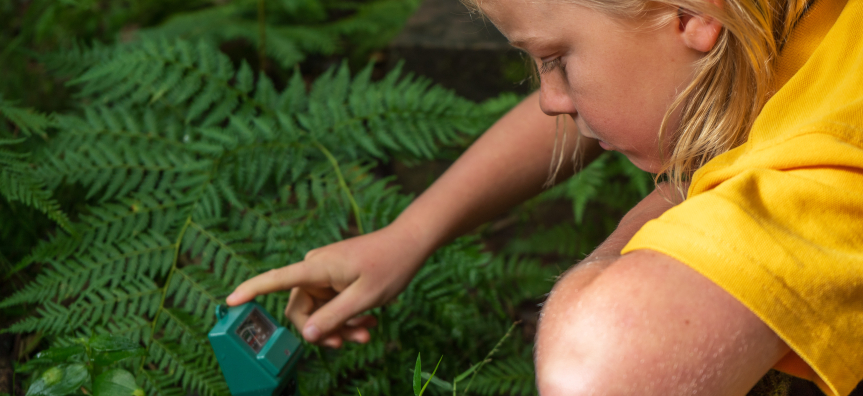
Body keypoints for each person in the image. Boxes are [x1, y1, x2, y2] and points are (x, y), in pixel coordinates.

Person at [227, 0, 863, 393]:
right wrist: (408, 235)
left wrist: (672, 199)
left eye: (556, 59)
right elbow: (618, 57)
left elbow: (598, 370)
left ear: (694, 15)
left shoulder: (832, 152)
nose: (550, 98)